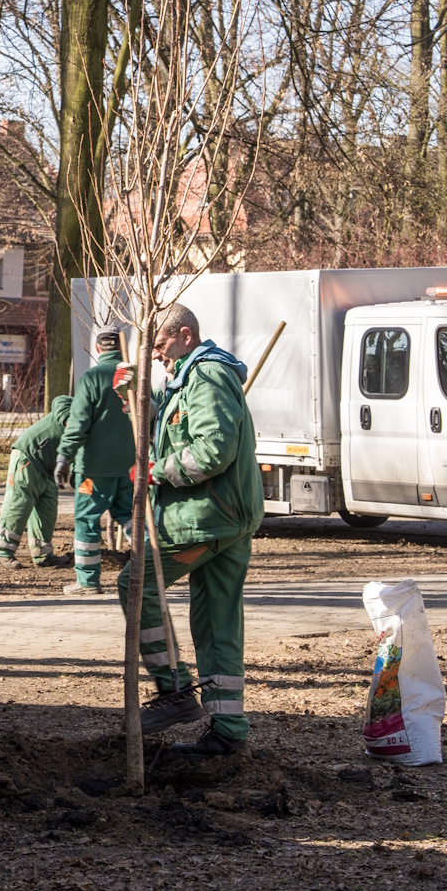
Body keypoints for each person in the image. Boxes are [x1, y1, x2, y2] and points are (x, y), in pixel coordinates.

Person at [117, 303, 262, 758]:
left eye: (160, 347)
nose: (157, 356)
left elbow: (213, 449)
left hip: (209, 516)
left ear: (184, 335)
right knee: (216, 620)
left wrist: (157, 472)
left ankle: (175, 692)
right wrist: (137, 400)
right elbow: (179, 427)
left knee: (136, 584)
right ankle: (228, 731)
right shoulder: (188, 378)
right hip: (223, 516)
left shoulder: (207, 376)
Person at [55, 328, 136, 596]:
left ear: (98, 349)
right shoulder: (135, 376)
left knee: (87, 520)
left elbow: (78, 423)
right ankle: (147, 571)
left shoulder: (92, 377)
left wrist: (64, 456)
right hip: (130, 466)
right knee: (131, 519)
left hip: (93, 469)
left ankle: (88, 582)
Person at [0, 395, 73, 568]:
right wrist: (70, 421)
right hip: (30, 456)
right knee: (19, 504)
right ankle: (3, 551)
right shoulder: (79, 404)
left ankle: (43, 555)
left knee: (47, 512)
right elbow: (59, 401)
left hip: (50, 469)